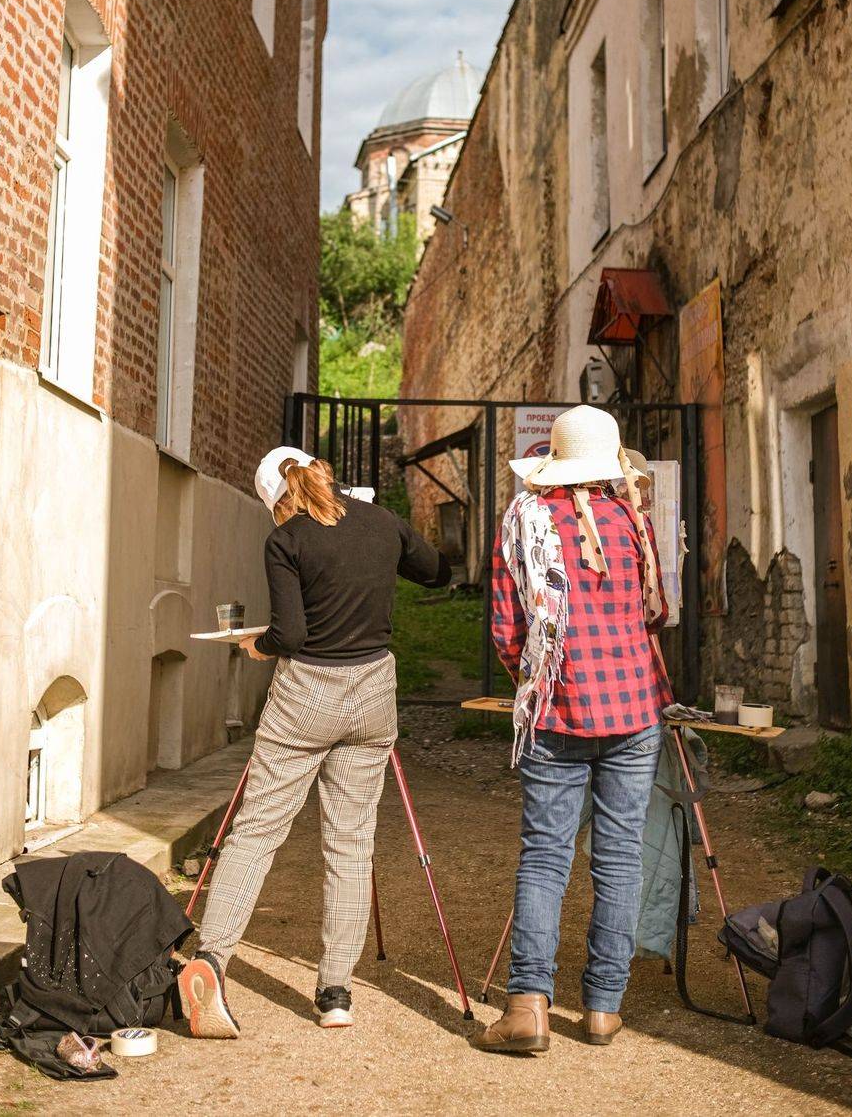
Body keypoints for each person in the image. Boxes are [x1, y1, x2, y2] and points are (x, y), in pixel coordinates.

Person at [178, 447, 450, 1038]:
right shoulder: (382, 522)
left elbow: (291, 633)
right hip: (371, 693)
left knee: (256, 833)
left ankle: (212, 960)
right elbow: (437, 571)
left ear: (277, 501)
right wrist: (382, 541)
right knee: (350, 843)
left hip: (307, 696)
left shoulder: (287, 540)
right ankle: (335, 993)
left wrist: (256, 646)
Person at [474, 406, 672, 1056]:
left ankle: (528, 1006)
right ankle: (603, 1009)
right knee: (620, 857)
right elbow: (656, 611)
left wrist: (536, 681)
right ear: (609, 462)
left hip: (558, 708)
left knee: (545, 855)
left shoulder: (524, 519)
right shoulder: (634, 519)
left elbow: (507, 630)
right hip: (635, 708)